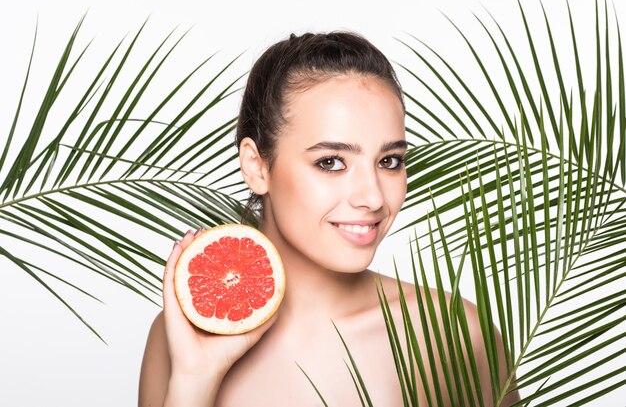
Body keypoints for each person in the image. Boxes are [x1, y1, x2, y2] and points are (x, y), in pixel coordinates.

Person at [138, 31, 518, 406]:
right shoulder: (184, 337)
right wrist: (195, 379)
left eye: (389, 162)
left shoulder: (453, 334)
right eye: (331, 163)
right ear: (257, 166)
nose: (372, 197)